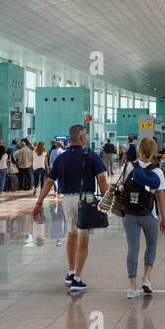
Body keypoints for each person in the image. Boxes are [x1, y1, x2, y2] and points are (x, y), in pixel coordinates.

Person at [32, 124, 108, 295]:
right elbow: (102, 180)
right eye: (85, 136)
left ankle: (71, 271)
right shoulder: (91, 156)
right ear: (81, 138)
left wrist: (39, 202)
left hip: (67, 200)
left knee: (71, 234)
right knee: (83, 238)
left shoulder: (61, 158)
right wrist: (107, 201)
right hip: (85, 200)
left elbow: (49, 182)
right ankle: (77, 279)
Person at [119, 137, 165, 299]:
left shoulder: (128, 167)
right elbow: (161, 198)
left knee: (133, 248)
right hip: (149, 214)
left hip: (129, 214)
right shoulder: (157, 172)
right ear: (154, 152)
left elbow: (121, 188)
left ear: (139, 150)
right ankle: (146, 278)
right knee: (151, 246)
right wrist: (164, 219)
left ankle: (132, 288)